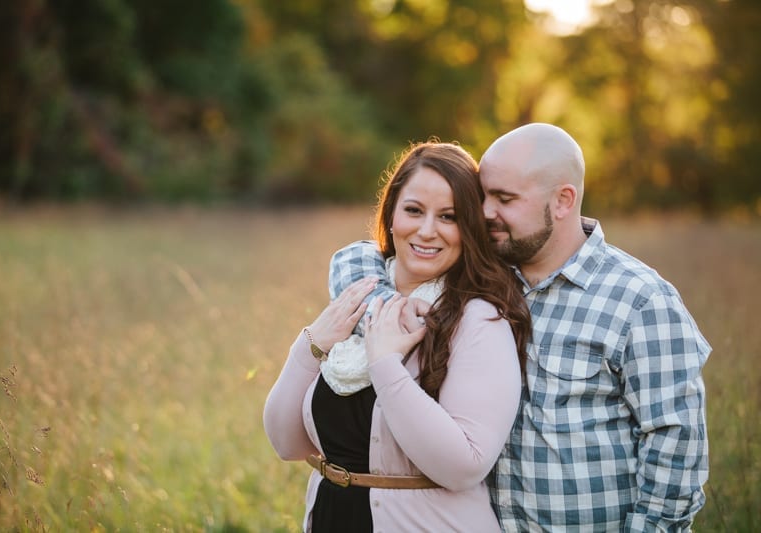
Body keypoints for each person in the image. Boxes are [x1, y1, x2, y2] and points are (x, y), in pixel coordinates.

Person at [328, 123, 711, 531]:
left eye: (504, 199)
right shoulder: (480, 274)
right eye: (483, 196)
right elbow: (366, 255)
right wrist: (388, 309)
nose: (486, 212)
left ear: (563, 200)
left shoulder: (639, 300)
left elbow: (674, 444)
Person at [263, 141, 532, 532]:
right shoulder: (357, 299)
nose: (426, 231)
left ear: (470, 228)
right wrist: (310, 346)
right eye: (413, 210)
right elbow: (288, 444)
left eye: (448, 217)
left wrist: (386, 365)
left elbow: (463, 467)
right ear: (391, 214)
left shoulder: (478, 320)